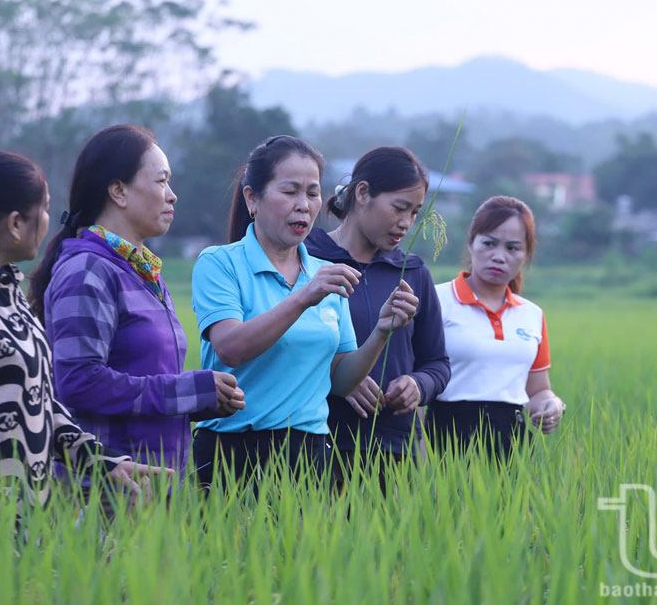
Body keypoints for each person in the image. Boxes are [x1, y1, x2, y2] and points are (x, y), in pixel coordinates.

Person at [0, 151, 166, 531]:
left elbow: (38, 404)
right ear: (14, 224)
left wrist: (104, 461)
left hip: (19, 528)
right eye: (43, 210)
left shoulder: (6, 293)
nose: (47, 222)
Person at [190, 135, 419, 489]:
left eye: (312, 193)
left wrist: (381, 331)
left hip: (308, 454)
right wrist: (303, 297)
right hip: (231, 451)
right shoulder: (220, 264)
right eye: (290, 191)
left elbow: (341, 380)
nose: (304, 205)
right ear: (253, 198)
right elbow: (231, 348)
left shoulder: (325, 274)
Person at [27, 125, 244, 492]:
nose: (172, 196)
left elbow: (142, 378)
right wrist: (189, 391)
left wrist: (202, 400)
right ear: (118, 191)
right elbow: (78, 382)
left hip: (152, 486)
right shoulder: (87, 270)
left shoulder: (141, 270)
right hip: (103, 489)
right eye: (161, 182)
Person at [304, 146, 450, 488]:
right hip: (317, 444)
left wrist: (417, 385)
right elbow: (280, 349)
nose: (406, 223)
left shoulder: (412, 273)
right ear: (363, 193)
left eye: (415, 213)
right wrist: (339, 376)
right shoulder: (308, 261)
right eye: (399, 208)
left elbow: (438, 364)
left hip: (395, 451)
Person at [430, 195, 566, 459]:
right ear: (471, 244)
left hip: (512, 444)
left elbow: (537, 390)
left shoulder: (531, 315)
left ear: (526, 255)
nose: (499, 256)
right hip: (444, 438)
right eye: (489, 244)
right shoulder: (436, 301)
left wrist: (552, 404)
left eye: (513, 248)